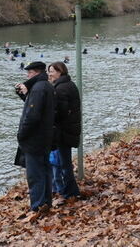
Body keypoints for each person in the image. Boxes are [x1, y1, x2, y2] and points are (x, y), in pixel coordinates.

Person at [14, 61, 55, 213]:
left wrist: (21, 134)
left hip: (35, 139)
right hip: (44, 138)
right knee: (44, 171)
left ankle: (37, 207)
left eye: (29, 73)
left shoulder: (38, 88)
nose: (27, 75)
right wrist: (24, 95)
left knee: (35, 174)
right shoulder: (45, 86)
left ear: (35, 72)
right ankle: (46, 203)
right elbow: (37, 108)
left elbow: (32, 116)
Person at [47, 62, 82, 200]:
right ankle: (70, 191)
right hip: (69, 130)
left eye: (51, 71)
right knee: (65, 163)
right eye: (48, 71)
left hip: (63, 132)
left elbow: (59, 113)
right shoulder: (69, 84)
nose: (49, 74)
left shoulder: (61, 89)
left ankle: (70, 192)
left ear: (59, 72)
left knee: (64, 164)